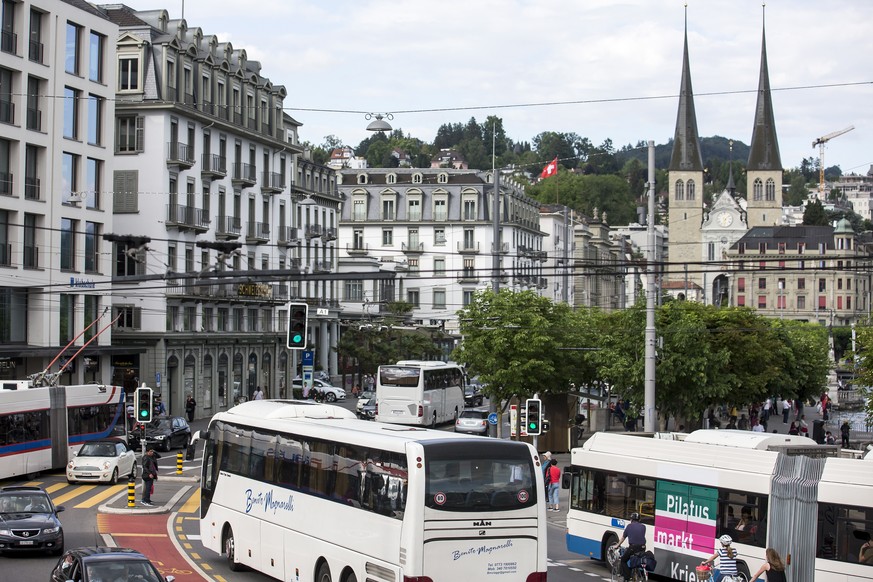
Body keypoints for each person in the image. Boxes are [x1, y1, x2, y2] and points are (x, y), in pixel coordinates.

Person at [616, 512, 646, 581]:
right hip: (643, 547)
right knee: (636, 559)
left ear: (631, 519)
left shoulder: (629, 526)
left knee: (623, 560)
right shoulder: (643, 527)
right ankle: (636, 573)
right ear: (639, 519)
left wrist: (617, 545)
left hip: (633, 547)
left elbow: (623, 538)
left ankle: (627, 577)